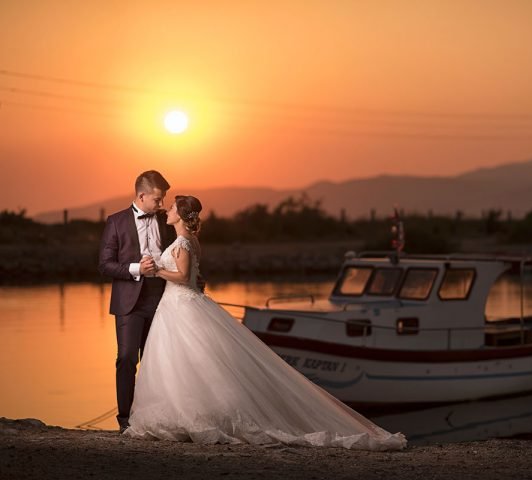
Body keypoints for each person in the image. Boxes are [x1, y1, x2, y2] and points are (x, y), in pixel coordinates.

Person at [124, 195, 406, 451]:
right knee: (185, 362)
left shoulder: (184, 242)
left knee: (192, 361)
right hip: (178, 306)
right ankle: (183, 415)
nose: (167, 212)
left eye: (172, 208)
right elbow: (196, 277)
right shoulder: (189, 242)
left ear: (181, 215)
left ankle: (198, 416)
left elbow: (184, 277)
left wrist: (157, 271)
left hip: (182, 304)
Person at [98, 170, 176, 433]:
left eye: (163, 199)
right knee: (127, 357)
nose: (161, 204)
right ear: (141, 195)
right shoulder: (116, 222)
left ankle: (156, 418)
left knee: (159, 361)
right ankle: (125, 421)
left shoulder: (167, 220)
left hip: (162, 297)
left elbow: (181, 253)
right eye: (157, 199)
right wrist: (135, 269)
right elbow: (105, 265)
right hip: (129, 301)